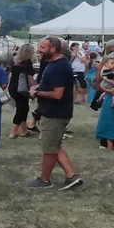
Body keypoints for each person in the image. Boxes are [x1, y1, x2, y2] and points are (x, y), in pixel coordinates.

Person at [26, 36, 81, 189]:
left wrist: (37, 93)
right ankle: (71, 176)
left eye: (42, 47)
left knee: (49, 149)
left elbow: (57, 94)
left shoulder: (59, 67)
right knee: (54, 146)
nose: (39, 49)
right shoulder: (54, 64)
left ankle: (44, 180)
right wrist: (39, 88)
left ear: (53, 49)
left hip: (55, 113)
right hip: (54, 112)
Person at [8, 45, 36, 139]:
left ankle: (24, 131)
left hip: (13, 87)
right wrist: (33, 87)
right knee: (21, 110)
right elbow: (30, 77)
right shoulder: (27, 62)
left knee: (23, 108)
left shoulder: (14, 61)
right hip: (22, 88)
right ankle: (13, 132)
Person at [93, 54, 114, 150]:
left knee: (109, 122)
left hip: (110, 98)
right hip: (109, 98)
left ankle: (108, 144)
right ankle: (107, 142)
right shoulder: (108, 71)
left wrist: (104, 88)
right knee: (107, 121)